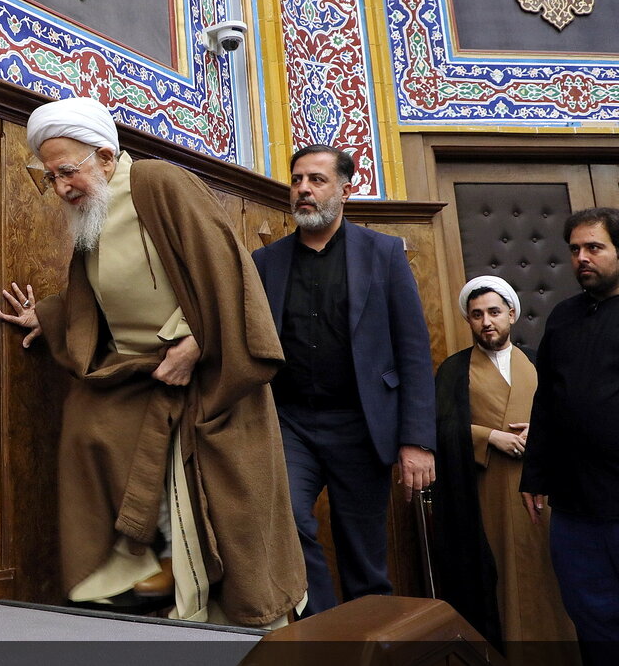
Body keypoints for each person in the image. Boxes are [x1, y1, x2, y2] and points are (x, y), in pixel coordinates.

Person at [0, 97, 304, 628]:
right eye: (51, 177)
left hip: (205, 379)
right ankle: (151, 615)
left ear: (105, 156)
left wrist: (195, 343)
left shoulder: (157, 183)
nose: (61, 187)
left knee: (228, 518)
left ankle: (230, 629)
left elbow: (228, 273)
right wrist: (46, 318)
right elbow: (97, 295)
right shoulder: (94, 210)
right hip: (142, 378)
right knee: (87, 430)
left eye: (67, 171)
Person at [251, 144, 435, 616]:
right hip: (290, 424)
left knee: (364, 559)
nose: (304, 189)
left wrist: (417, 440)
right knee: (287, 522)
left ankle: (367, 637)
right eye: (297, 180)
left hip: (362, 425)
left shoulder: (383, 253)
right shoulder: (265, 261)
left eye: (317, 180)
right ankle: (326, 628)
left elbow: (414, 352)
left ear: (345, 191)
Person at [432, 276, 574, 647]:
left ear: (511, 314)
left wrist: (540, 432)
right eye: (477, 315)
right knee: (501, 577)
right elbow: (440, 428)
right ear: (469, 320)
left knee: (549, 573)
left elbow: (573, 417)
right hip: (486, 493)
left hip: (544, 491)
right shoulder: (453, 370)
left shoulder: (540, 362)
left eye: (494, 312)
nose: (486, 322)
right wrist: (488, 436)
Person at [521, 207, 619, 654]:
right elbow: (546, 400)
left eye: (594, 247)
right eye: (575, 249)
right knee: (592, 621)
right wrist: (534, 473)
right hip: (575, 506)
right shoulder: (562, 317)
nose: (582, 257)